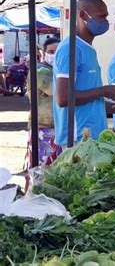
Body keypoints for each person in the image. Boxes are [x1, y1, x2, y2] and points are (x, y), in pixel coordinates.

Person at [53, 0, 115, 147]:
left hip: (93, 137)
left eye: (106, 17)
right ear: (83, 15)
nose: (105, 22)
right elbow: (63, 99)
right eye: (101, 17)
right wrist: (103, 91)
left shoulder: (88, 49)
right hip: (78, 139)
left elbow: (92, 103)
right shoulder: (71, 49)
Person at [25, 37, 62, 191]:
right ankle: (29, 202)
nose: (53, 55)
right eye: (50, 52)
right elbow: (59, 91)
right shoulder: (41, 72)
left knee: (52, 172)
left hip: (56, 129)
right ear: (43, 53)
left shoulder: (58, 72)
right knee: (38, 172)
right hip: (43, 130)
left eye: (57, 52)